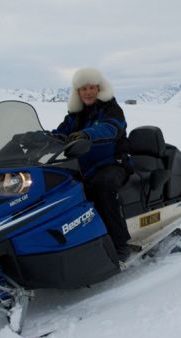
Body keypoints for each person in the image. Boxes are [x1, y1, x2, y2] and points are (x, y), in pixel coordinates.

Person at [52, 68, 132, 261]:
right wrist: (37, 138)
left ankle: (119, 243)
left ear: (99, 88)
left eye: (91, 87)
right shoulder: (75, 115)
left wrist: (87, 134)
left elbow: (110, 128)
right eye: (83, 89)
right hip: (84, 167)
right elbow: (61, 132)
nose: (87, 92)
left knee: (103, 186)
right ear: (77, 92)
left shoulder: (111, 109)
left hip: (113, 163)